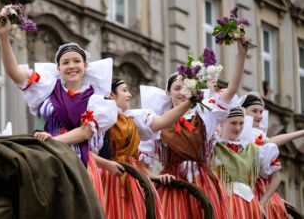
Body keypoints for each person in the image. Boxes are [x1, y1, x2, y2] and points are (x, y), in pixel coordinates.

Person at [0, 15, 118, 206]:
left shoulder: (97, 99)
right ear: (58, 68)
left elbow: (85, 132)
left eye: (76, 61)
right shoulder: (47, 88)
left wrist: (52, 140)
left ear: (85, 66)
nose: (71, 66)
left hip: (78, 163)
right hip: (47, 159)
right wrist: (3, 37)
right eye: (66, 62)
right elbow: (14, 73)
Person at [140, 37, 249, 218]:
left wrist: (241, 54)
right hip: (172, 187)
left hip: (203, 183)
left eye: (186, 88)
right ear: (168, 93)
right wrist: (157, 177)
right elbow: (142, 164)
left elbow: (231, 90)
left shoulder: (204, 114)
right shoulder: (157, 122)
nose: (182, 92)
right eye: (177, 88)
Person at [99, 78, 190, 219]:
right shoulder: (100, 120)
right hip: (110, 178)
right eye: (124, 90)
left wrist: (190, 101)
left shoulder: (133, 118)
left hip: (134, 180)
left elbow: (163, 120)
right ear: (111, 95)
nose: (129, 95)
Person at [213, 106, 280, 218]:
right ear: (222, 123)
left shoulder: (253, 149)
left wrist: (262, 203)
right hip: (221, 201)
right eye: (233, 123)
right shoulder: (213, 147)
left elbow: (276, 178)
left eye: (241, 123)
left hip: (248, 204)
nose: (238, 128)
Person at [239, 93, 294, 219]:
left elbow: (276, 177)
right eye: (254, 111)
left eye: (261, 112)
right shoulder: (236, 138)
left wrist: (263, 202)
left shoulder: (261, 138)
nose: (259, 116)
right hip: (241, 193)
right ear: (242, 111)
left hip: (261, 196)